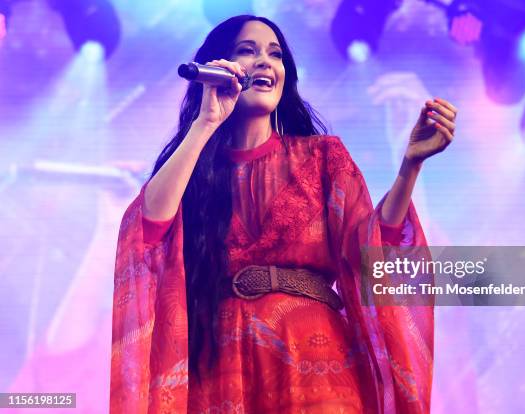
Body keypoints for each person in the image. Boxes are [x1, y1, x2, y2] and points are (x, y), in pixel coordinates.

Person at [110, 15, 457, 414]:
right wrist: (206, 123)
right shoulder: (193, 172)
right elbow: (148, 231)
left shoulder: (323, 157)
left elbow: (372, 252)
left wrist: (410, 166)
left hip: (315, 364)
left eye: (275, 55)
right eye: (247, 51)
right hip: (220, 369)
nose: (264, 62)